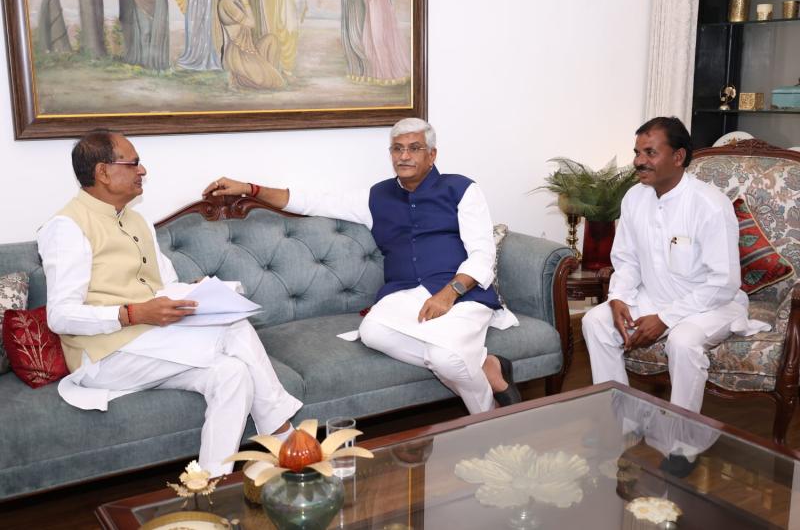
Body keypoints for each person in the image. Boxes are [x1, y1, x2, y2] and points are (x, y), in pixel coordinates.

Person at [204, 117, 521, 414]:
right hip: (406, 295)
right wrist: (250, 189)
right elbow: (314, 200)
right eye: (397, 148)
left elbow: (482, 254)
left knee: (447, 359)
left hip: (463, 294)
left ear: (432, 155)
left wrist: (449, 293)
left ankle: (489, 420)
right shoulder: (377, 197)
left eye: (414, 148)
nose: (404, 156)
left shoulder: (461, 189)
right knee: (373, 331)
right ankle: (483, 364)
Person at [38, 130, 302, 477]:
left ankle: (209, 483)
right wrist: (132, 313)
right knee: (233, 327)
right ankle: (283, 435)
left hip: (151, 342)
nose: (142, 170)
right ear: (103, 172)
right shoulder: (67, 227)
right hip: (105, 356)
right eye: (133, 163)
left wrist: (193, 292)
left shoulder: (137, 220)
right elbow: (60, 316)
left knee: (232, 373)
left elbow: (163, 285)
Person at [581, 117, 768, 413]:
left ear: (678, 157)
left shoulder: (710, 205)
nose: (639, 161)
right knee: (595, 322)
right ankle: (621, 421)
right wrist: (618, 297)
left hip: (713, 305)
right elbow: (627, 259)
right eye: (637, 152)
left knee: (682, 341)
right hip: (654, 297)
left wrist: (666, 318)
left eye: (650, 153)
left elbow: (723, 282)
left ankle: (682, 435)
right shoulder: (634, 198)